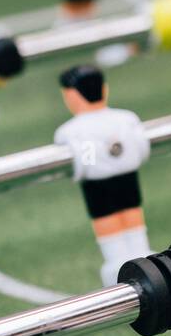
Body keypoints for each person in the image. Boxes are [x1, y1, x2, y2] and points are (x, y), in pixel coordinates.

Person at [53, 65, 154, 286]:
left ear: (71, 96)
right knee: (130, 215)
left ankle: (121, 266)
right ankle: (140, 259)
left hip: (98, 185)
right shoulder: (126, 118)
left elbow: (85, 163)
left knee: (111, 222)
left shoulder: (71, 131)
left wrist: (97, 163)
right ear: (104, 90)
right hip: (126, 178)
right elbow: (141, 148)